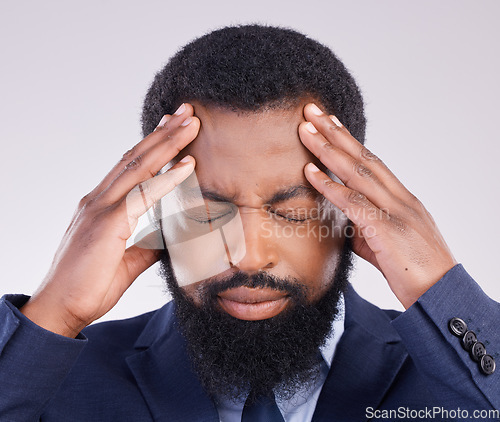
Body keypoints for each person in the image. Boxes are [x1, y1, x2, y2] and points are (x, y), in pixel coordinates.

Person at [0, 24, 498, 422]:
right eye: (206, 212)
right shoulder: (54, 380)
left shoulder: (452, 372)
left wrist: (440, 289)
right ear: (155, 214)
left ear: (352, 210)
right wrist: (54, 316)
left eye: (292, 211)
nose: (249, 256)